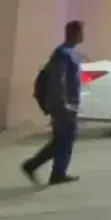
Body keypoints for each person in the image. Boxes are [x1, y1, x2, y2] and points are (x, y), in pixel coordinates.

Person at [22, 20, 85, 185]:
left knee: (63, 139)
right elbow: (58, 81)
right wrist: (63, 104)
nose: (83, 35)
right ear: (75, 33)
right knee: (64, 139)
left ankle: (51, 171)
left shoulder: (70, 52)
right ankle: (48, 170)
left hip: (69, 104)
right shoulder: (62, 53)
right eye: (81, 32)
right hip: (64, 105)